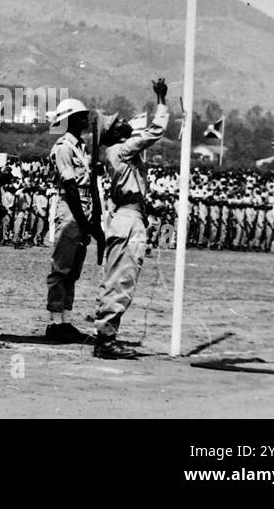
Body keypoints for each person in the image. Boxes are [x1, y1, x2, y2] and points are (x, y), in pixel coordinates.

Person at [91, 78, 170, 359]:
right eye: (119, 122)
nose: (125, 122)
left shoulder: (117, 153)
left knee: (116, 276)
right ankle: (106, 339)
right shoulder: (121, 151)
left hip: (127, 216)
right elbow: (156, 131)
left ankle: (106, 334)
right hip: (128, 219)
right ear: (113, 134)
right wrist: (161, 101)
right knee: (122, 278)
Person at [44, 98, 101, 342]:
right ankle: (56, 322)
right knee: (61, 266)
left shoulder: (81, 147)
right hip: (71, 208)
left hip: (82, 208)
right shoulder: (64, 147)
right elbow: (70, 185)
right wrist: (82, 219)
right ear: (68, 120)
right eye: (79, 116)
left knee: (73, 270)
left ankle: (66, 319)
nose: (84, 120)